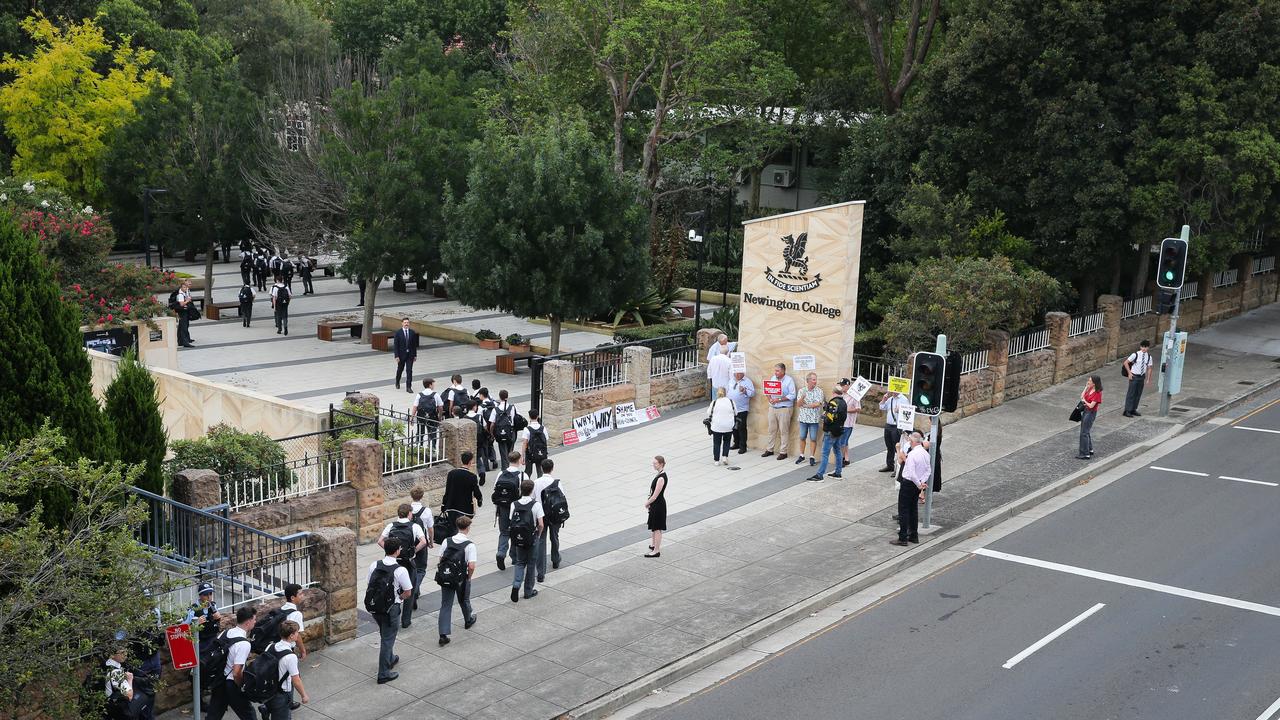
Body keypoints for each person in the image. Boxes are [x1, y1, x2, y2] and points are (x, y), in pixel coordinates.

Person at [367, 538, 412, 684]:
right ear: (398, 551)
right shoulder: (400, 570)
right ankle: (384, 673)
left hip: (375, 607)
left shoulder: (374, 565)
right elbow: (408, 592)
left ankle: (391, 658)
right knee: (387, 639)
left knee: (384, 633)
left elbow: (369, 584)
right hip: (391, 608)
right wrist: (399, 598)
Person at [378, 504, 429, 628]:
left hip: (394, 562)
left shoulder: (390, 526)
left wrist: (391, 551)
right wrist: (413, 552)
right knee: (408, 590)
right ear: (409, 514)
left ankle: (392, 613)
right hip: (408, 563)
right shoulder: (415, 526)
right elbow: (423, 542)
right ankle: (406, 621)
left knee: (392, 588)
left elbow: (380, 541)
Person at [207, 606, 255, 720]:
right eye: (254, 619)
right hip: (232, 684)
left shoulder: (226, 632)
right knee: (249, 715)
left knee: (214, 715)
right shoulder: (244, 644)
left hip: (219, 681)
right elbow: (236, 672)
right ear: (248, 622)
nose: (255, 622)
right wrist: (241, 686)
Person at [436, 515, 478, 646]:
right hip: (461, 578)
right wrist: (468, 577)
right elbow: (471, 566)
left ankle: (443, 634)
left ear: (457, 526)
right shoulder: (469, 545)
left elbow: (441, 558)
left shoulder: (446, 541)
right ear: (468, 527)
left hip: (447, 576)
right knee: (464, 599)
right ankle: (468, 620)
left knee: (446, 605)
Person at [261, 621, 309, 719]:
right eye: (297, 633)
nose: (298, 634)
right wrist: (304, 695)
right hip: (281, 694)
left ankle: (266, 708)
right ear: (291, 636)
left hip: (269, 690)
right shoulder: (290, 656)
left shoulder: (270, 646)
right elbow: (296, 680)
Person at [891, 431, 930, 546]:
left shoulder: (912, 455)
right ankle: (914, 535)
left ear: (913, 441)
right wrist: (922, 482)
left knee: (903, 510)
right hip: (917, 484)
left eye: (909, 441)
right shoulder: (925, 454)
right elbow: (928, 470)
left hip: (908, 483)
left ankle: (903, 537)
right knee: (913, 510)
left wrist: (919, 483)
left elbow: (912, 473)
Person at [508, 478, 544, 602]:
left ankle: (516, 585)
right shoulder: (536, 505)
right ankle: (528, 591)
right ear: (532, 490)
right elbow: (541, 524)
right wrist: (538, 535)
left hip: (518, 538)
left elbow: (511, 521)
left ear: (520, 490)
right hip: (532, 537)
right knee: (531, 563)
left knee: (519, 562)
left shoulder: (514, 504)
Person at [492, 451, 525, 570]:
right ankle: (514, 557)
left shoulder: (501, 473)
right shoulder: (522, 475)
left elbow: (495, 490)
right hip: (516, 509)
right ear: (519, 460)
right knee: (516, 532)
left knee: (504, 532)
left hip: (502, 508)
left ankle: (501, 553)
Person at [811, 381, 848, 481]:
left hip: (830, 431)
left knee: (825, 453)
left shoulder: (833, 402)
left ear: (834, 392)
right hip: (839, 430)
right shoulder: (844, 402)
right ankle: (838, 472)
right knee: (837, 452)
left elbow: (829, 418)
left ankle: (820, 475)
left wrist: (824, 416)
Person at [533, 458, 564, 580]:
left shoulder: (536, 482)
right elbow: (562, 497)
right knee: (554, 537)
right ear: (552, 468)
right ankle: (555, 559)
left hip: (541, 516)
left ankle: (541, 573)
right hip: (555, 515)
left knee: (541, 542)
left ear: (541, 468)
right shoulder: (557, 482)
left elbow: (532, 499)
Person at [440, 451, 483, 537]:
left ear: (461, 460)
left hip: (452, 506)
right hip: (464, 508)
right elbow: (476, 491)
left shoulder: (451, 473)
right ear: (470, 462)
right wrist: (479, 500)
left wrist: (443, 504)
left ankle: (453, 544)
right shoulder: (472, 476)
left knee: (453, 529)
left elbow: (447, 491)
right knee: (462, 529)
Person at [762, 363, 797, 461]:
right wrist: (769, 398)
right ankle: (770, 449)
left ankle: (783, 452)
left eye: (777, 371)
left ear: (783, 371)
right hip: (773, 407)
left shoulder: (789, 380)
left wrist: (779, 400)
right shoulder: (773, 378)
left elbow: (792, 395)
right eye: (775, 370)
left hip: (784, 408)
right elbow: (767, 390)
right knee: (771, 430)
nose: (775, 372)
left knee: (783, 430)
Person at [407, 487, 434, 609]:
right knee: (421, 569)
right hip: (422, 542)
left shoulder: (407, 509)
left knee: (411, 568)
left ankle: (415, 592)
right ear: (422, 496)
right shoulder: (426, 511)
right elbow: (430, 528)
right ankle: (414, 591)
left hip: (409, 541)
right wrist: (431, 541)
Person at [794, 372, 824, 466]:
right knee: (802, 437)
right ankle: (802, 455)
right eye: (813, 379)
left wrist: (806, 405)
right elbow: (798, 405)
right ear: (808, 381)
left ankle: (812, 456)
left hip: (814, 419)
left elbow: (818, 404)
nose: (815, 381)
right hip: (803, 418)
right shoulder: (802, 391)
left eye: (815, 379)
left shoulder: (819, 391)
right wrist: (802, 398)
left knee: (813, 438)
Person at [103, 646, 138, 720]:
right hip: (116, 710)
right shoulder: (116, 672)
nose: (125, 654)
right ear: (112, 655)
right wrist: (130, 679)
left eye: (126, 651)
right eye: (122, 652)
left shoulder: (104, 665)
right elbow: (129, 695)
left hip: (105, 708)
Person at [878, 391, 908, 472]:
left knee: (897, 447)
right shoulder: (890, 399)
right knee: (889, 446)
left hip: (897, 426)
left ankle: (898, 468)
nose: (892, 392)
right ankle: (890, 465)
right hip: (888, 425)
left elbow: (908, 413)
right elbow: (882, 407)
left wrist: (900, 410)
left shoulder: (903, 399)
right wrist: (884, 399)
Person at [1122, 339, 1153, 417]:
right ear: (1140, 347)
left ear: (1148, 348)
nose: (1144, 348)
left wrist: (1148, 379)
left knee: (1138, 393)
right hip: (1134, 376)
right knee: (1131, 393)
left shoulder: (1149, 357)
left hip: (1141, 376)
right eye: (1142, 347)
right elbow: (1126, 363)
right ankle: (1127, 410)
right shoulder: (1135, 354)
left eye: (1145, 347)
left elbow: (1149, 368)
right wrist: (1129, 373)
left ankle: (1133, 409)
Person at [645, 456, 668, 558]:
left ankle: (656, 550)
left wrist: (647, 503)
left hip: (658, 505)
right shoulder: (659, 474)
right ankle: (654, 545)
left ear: (661, 464)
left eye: (655, 463)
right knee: (654, 527)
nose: (653, 465)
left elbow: (655, 495)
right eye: (653, 463)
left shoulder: (661, 478)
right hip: (656, 505)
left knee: (657, 528)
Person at [706, 387, 736, 465]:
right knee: (727, 442)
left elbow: (709, 412)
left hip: (717, 426)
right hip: (728, 426)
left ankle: (716, 460)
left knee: (716, 443)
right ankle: (725, 456)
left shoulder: (714, 402)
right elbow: (736, 412)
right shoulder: (731, 401)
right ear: (725, 393)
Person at [279, 583, 307, 661]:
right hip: (288, 649)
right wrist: (303, 651)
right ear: (292, 597)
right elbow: (297, 636)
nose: (302, 596)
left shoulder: (281, 609)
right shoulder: (296, 614)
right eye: (300, 594)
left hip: (278, 646)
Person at [1077, 375, 1103, 460]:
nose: (1088, 382)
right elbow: (1081, 396)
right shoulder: (1090, 389)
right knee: (1086, 431)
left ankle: (1085, 453)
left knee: (1084, 433)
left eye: (1090, 381)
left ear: (1094, 383)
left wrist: (1085, 401)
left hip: (1090, 413)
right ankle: (1089, 449)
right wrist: (1086, 387)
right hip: (1086, 412)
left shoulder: (1097, 393)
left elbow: (1091, 406)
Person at [488, 390, 518, 461]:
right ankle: (511, 465)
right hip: (511, 431)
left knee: (503, 452)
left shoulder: (495, 409)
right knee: (510, 451)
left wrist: (492, 434)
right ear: (507, 397)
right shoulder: (513, 407)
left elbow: (492, 424)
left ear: (499, 397)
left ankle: (505, 467)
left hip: (500, 432)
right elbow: (517, 418)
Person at [729, 371, 754, 452]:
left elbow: (752, 393)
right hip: (732, 408)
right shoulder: (731, 380)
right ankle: (736, 443)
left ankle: (743, 446)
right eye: (735, 373)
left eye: (739, 373)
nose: (736, 375)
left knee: (741, 427)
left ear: (743, 373)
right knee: (733, 427)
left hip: (742, 409)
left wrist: (745, 391)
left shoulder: (747, 381)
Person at [520, 409, 549, 477]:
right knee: (540, 472)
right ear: (538, 416)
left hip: (530, 454)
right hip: (540, 453)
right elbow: (546, 440)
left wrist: (522, 456)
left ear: (529, 417)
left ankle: (526, 486)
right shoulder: (543, 428)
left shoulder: (527, 429)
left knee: (528, 472)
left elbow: (525, 443)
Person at [411, 378, 440, 444]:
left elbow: (415, 407)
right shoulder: (435, 394)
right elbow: (440, 406)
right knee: (432, 432)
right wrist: (439, 416)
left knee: (420, 432)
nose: (434, 386)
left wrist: (412, 417)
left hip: (421, 417)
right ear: (430, 385)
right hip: (432, 417)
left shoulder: (419, 395)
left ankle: (419, 445)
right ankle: (432, 447)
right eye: (433, 384)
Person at [393, 318, 418, 392]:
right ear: (402, 323)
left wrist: (415, 355)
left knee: (409, 370)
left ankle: (408, 387)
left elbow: (414, 345)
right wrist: (396, 356)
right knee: (400, 370)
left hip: (410, 355)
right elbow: (396, 345)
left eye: (407, 322)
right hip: (401, 355)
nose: (406, 324)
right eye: (405, 322)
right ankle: (397, 381)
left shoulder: (412, 332)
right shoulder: (398, 333)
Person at [839, 379, 861, 467]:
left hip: (848, 423)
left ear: (847, 386)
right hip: (841, 421)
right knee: (845, 441)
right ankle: (846, 458)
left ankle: (841, 459)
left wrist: (847, 410)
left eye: (843, 385)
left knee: (842, 442)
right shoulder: (842, 395)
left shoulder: (854, 396)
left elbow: (858, 408)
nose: (841, 387)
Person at [176, 280, 194, 347]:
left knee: (181, 326)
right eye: (184, 287)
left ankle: (180, 341)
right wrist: (187, 301)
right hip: (183, 312)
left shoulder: (184, 293)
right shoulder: (180, 294)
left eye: (186, 287)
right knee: (184, 327)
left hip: (183, 311)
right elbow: (181, 304)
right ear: (181, 287)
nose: (185, 288)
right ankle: (185, 342)